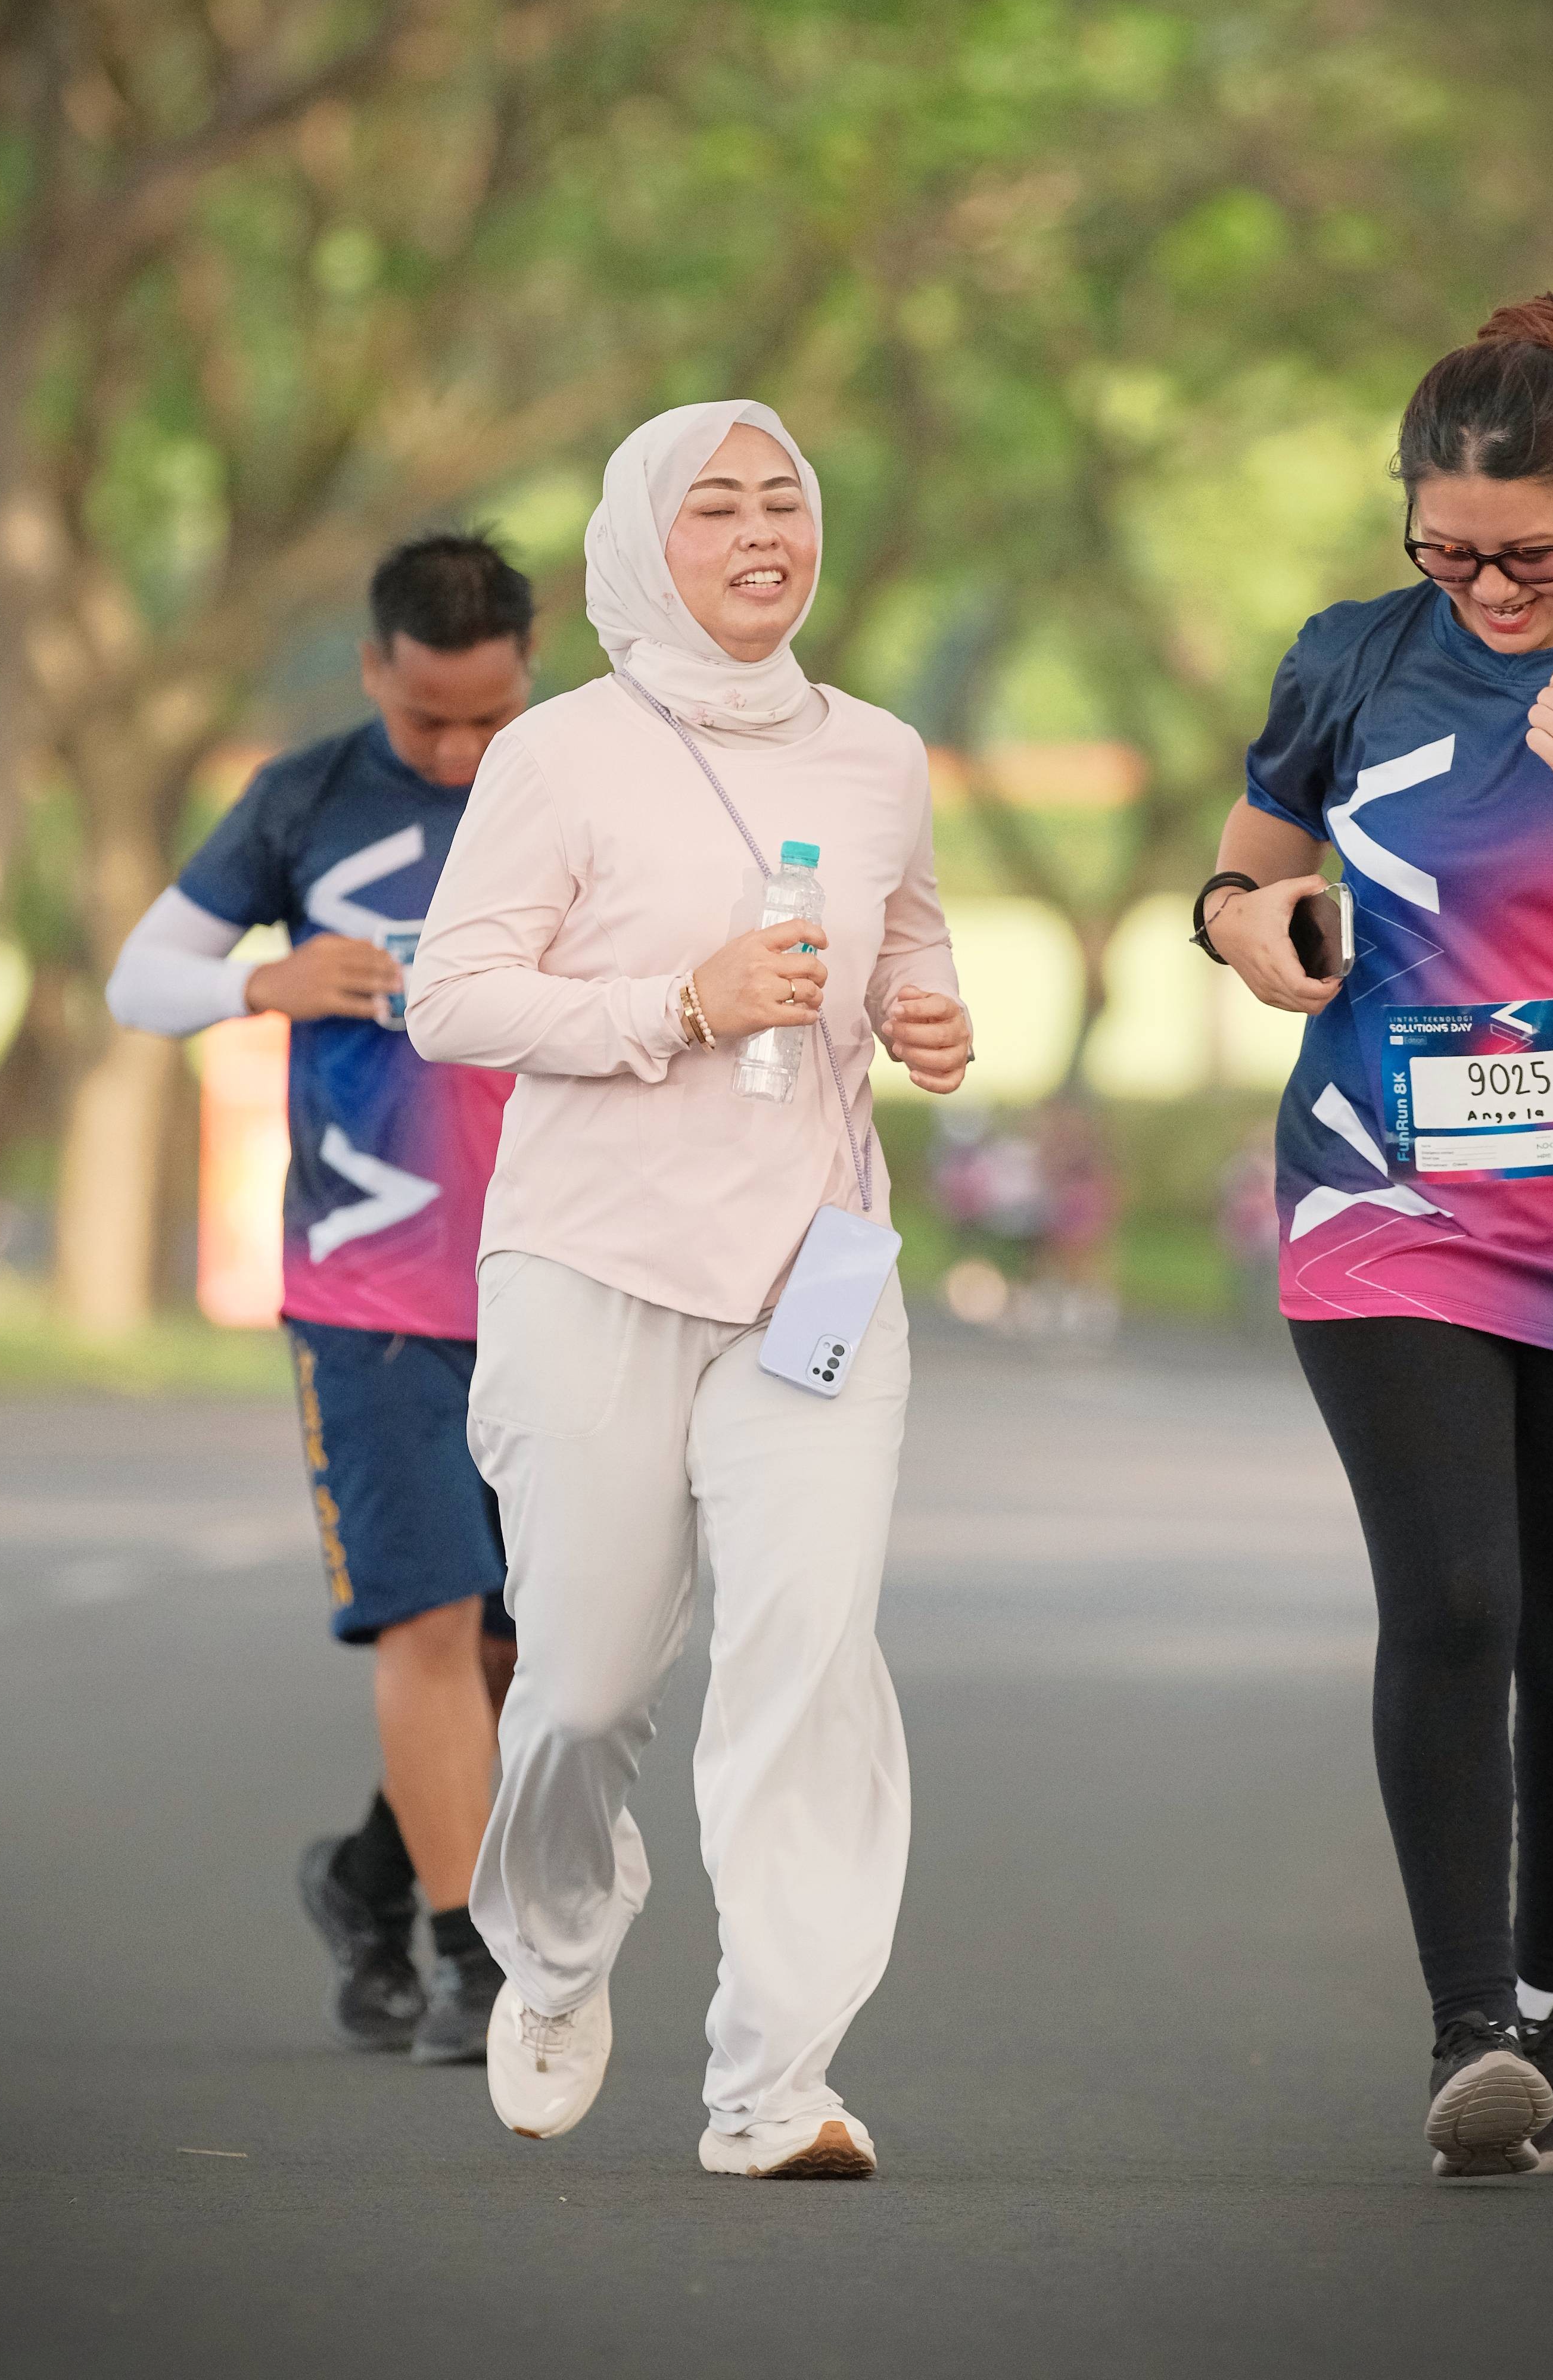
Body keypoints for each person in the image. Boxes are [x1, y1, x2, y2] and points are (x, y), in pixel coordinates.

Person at [407, 400, 972, 2177]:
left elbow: (910, 935)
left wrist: (929, 1013)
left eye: (782, 500)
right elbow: (453, 997)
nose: (758, 533)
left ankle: (774, 2085)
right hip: (594, 1261)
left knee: (805, 1660)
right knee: (578, 1686)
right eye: (713, 506)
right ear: (643, 545)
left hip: (816, 1269)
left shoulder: (878, 754)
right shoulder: (559, 753)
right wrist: (678, 1004)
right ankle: (555, 1950)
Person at [1199, 293, 1553, 2178]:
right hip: (1387, 1204)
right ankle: (1473, 2031)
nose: (1485, 588)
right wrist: (1245, 929)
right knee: (1460, 1600)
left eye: (1524, 555)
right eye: (1446, 551)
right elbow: (1246, 869)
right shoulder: (1352, 659)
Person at [106, 532, 534, 2064]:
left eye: (488, 717)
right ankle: (476, 1964)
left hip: (558, 1283)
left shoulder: (580, 787)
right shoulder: (303, 799)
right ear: (371, 670)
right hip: (367, 1290)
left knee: (529, 1646)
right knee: (429, 1616)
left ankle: (367, 1876)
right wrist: (257, 982)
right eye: (427, 719)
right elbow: (139, 977)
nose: (459, 751)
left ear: (529, 676)